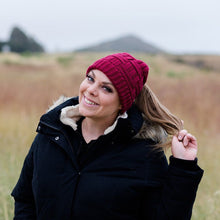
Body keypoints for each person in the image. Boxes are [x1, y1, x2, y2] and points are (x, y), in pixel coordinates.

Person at [11, 52, 203, 220]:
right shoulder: (51, 134)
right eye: (90, 78)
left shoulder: (145, 154)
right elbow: (24, 198)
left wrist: (183, 167)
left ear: (122, 103)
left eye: (106, 88)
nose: (91, 90)